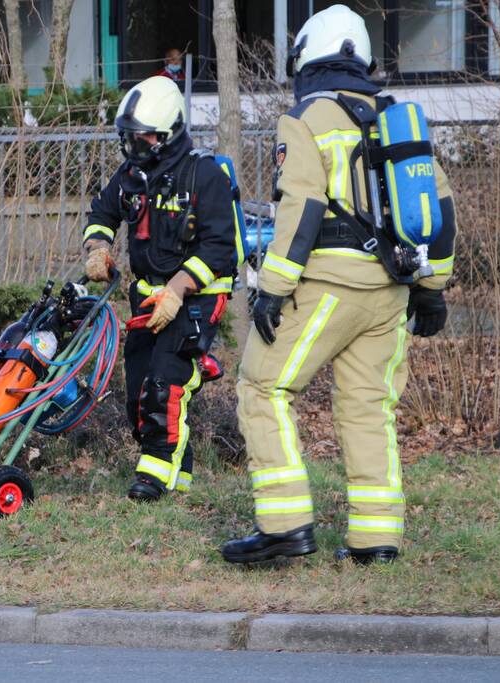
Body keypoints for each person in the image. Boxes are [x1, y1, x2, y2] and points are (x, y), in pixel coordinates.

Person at [222, 4, 456, 565]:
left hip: (328, 286)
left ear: (307, 57)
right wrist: (432, 288)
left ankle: (284, 529)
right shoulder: (396, 118)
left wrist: (272, 289)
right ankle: (375, 541)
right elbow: (440, 208)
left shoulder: (306, 118)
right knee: (369, 407)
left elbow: (299, 208)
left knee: (262, 388)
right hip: (392, 292)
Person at [83, 76, 239, 501]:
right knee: (138, 393)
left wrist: (177, 288)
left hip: (195, 297)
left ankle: (152, 477)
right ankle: (178, 470)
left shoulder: (203, 176)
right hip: (146, 297)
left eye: (143, 137)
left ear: (168, 135)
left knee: (164, 384)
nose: (134, 146)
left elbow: (220, 248)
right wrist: (98, 247)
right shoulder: (132, 175)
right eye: (129, 138)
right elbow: (103, 212)